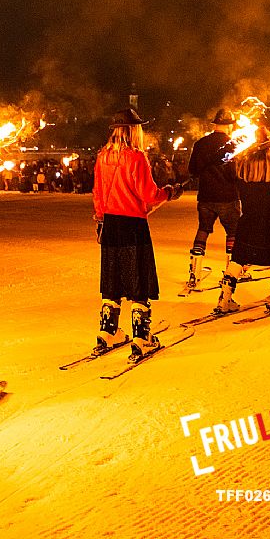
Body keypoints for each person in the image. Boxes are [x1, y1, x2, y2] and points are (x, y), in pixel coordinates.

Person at [92, 109, 181, 360]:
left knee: (113, 277)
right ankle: (142, 336)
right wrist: (169, 192)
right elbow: (148, 195)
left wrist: (100, 219)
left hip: (110, 223)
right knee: (137, 277)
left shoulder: (103, 156)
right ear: (134, 130)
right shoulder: (136, 157)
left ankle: (108, 331)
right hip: (132, 224)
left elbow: (97, 192)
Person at [214, 128, 270, 313]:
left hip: (249, 223)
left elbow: (227, 171)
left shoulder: (243, 168)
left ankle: (225, 299)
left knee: (238, 259)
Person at [185, 109, 241, 288]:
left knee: (203, 229)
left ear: (215, 124)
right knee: (233, 233)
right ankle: (231, 272)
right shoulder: (234, 144)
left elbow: (193, 169)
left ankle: (194, 271)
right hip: (228, 196)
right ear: (230, 125)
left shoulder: (200, 143)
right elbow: (234, 174)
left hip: (206, 196)